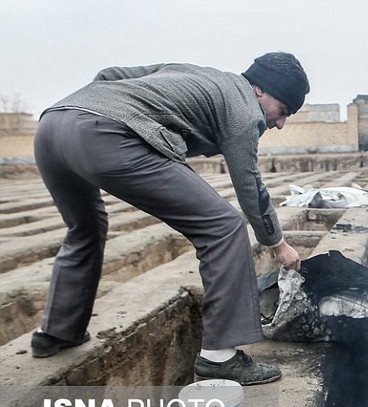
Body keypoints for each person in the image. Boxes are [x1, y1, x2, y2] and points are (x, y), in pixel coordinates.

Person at [30, 52, 310, 386]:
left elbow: (110, 72)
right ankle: (220, 357)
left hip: (52, 127)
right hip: (105, 135)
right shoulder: (244, 110)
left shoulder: (188, 71)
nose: (280, 124)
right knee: (224, 227)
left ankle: (56, 331)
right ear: (261, 90)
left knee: (85, 229)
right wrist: (277, 244)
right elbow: (249, 185)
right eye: (284, 112)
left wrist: (97, 108)